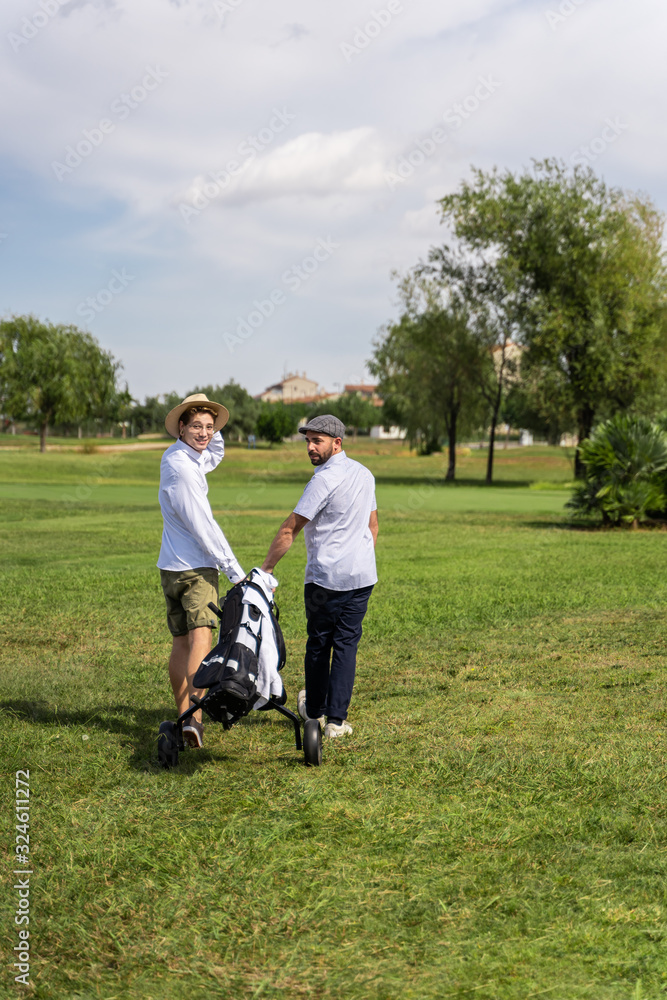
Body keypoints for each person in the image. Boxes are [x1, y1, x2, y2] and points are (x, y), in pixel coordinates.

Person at [261, 415, 378, 739]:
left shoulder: (323, 481)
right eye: (308, 440)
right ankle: (337, 723)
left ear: (337, 443)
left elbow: (291, 528)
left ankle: (314, 712)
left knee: (319, 646)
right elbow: (373, 527)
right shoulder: (364, 474)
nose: (310, 447)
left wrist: (266, 569)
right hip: (362, 576)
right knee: (345, 646)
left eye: (318, 441)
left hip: (325, 580)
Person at [158, 393, 245, 748]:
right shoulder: (185, 470)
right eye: (196, 426)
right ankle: (193, 718)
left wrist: (209, 414)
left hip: (171, 567)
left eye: (210, 427)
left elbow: (215, 452)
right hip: (194, 570)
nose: (205, 433)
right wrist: (235, 572)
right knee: (201, 640)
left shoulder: (180, 456)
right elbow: (204, 527)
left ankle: (184, 716)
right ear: (180, 428)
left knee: (181, 642)